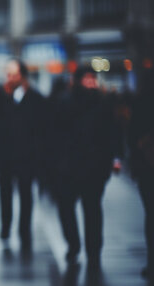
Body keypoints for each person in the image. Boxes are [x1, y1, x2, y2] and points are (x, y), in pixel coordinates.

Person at [50, 66, 121, 267]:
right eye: (87, 78)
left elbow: (112, 132)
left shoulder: (103, 103)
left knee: (92, 209)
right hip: (70, 166)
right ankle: (74, 244)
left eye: (93, 78)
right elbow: (53, 136)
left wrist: (114, 158)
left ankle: (93, 248)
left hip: (93, 166)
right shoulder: (64, 102)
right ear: (78, 80)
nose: (91, 83)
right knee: (69, 208)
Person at [0, 60, 47, 252]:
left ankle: (24, 230)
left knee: (26, 195)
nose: (9, 78)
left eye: (13, 74)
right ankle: (6, 226)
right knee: (4, 194)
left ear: (22, 76)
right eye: (7, 74)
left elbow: (42, 130)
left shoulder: (35, 98)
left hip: (27, 157)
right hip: (5, 157)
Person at [129, 68, 154, 280]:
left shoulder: (141, 102)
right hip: (149, 164)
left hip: (148, 166)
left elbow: (132, 135)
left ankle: (153, 262)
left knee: (153, 215)